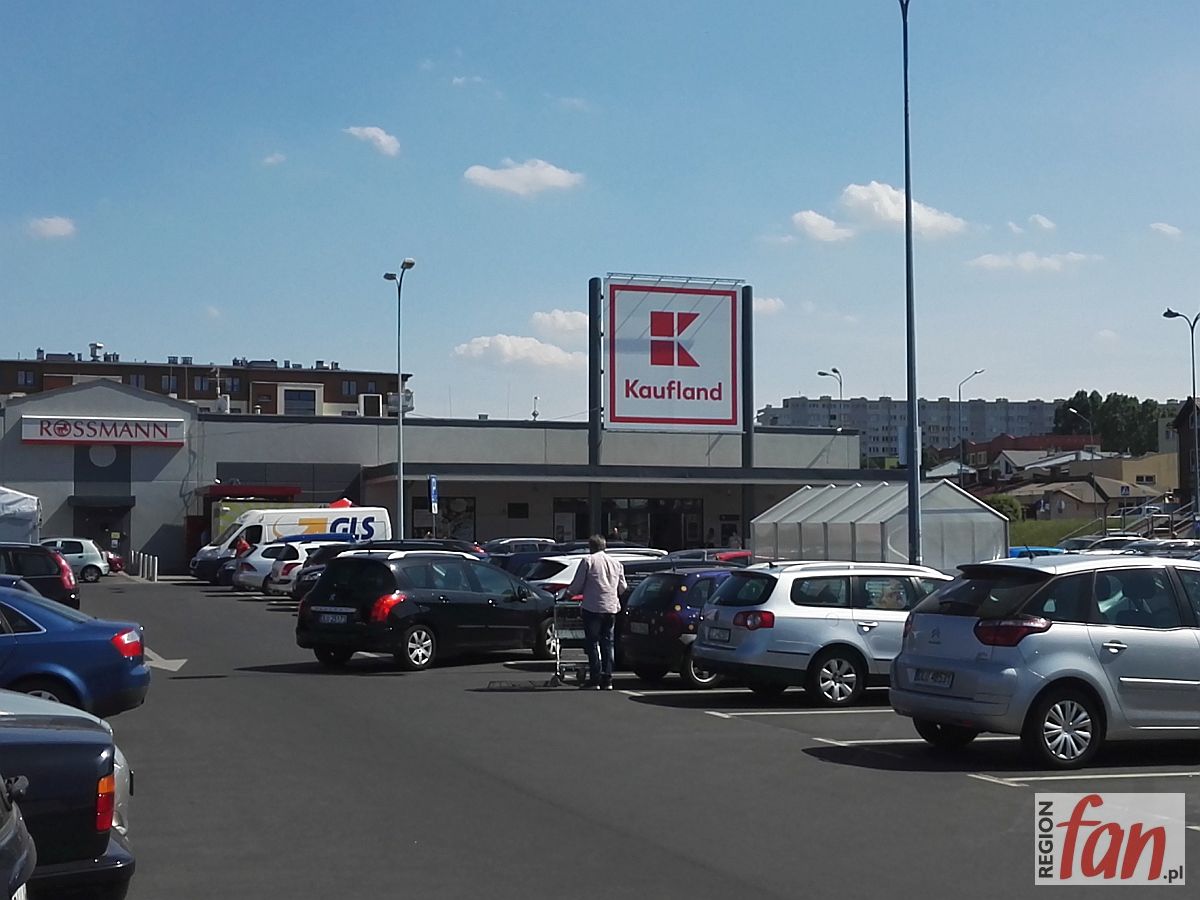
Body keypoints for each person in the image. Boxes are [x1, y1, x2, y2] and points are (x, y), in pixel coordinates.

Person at [566, 534, 627, 690]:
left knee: (592, 643)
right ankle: (608, 679)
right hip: (611, 607)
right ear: (605, 546)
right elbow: (623, 587)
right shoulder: (616, 563)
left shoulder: (588, 561)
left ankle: (595, 678)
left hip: (592, 607)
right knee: (608, 643)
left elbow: (577, 585)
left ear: (591, 547)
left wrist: (568, 593)